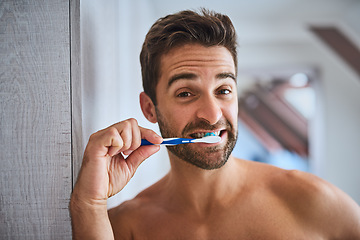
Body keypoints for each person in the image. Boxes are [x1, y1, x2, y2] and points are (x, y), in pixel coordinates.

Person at [70, 9, 360, 239]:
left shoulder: (312, 201)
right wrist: (89, 204)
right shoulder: (123, 227)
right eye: (186, 93)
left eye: (223, 90)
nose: (212, 114)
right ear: (150, 108)